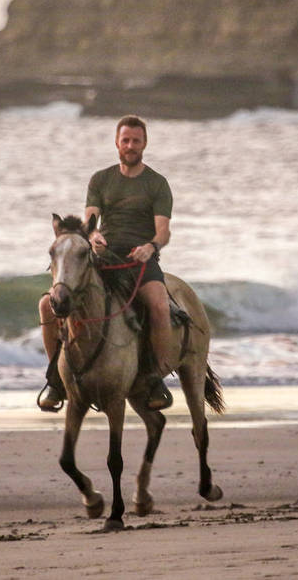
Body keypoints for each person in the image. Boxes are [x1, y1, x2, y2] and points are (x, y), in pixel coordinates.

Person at [38, 114, 175, 412]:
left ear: (145, 144)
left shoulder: (157, 184)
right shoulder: (101, 179)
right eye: (125, 140)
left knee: (160, 306)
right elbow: (91, 219)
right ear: (117, 143)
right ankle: (55, 380)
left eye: (136, 140)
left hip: (141, 257)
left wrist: (150, 247)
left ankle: (155, 379)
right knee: (48, 304)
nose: (130, 145)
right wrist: (95, 235)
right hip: (106, 254)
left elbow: (163, 230)